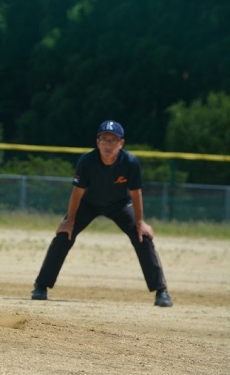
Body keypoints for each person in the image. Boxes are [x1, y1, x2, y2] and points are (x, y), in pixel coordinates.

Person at [31, 120, 173, 307]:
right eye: (104, 139)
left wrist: (140, 222)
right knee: (64, 234)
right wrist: (70, 221)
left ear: (121, 143)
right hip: (88, 203)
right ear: (97, 142)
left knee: (142, 237)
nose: (108, 145)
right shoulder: (87, 161)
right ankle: (41, 286)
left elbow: (136, 193)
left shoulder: (130, 162)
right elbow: (77, 193)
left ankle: (161, 291)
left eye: (113, 140)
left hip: (119, 205)